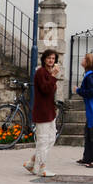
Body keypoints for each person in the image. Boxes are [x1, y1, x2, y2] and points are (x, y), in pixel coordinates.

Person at [24, 49, 60, 177]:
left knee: (51, 138)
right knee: (43, 140)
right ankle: (41, 168)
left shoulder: (48, 73)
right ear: (44, 59)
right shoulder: (41, 72)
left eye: (53, 59)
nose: (51, 61)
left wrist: (52, 76)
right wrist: (54, 76)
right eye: (49, 58)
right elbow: (45, 89)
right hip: (42, 111)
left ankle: (32, 162)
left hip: (50, 110)